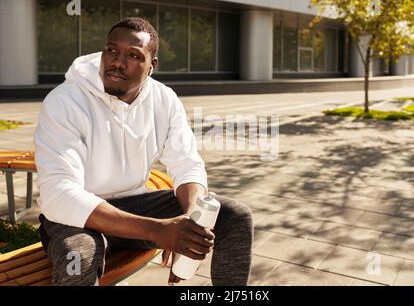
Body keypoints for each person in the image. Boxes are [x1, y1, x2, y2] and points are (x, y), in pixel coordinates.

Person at [34, 17, 253, 286]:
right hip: (78, 217)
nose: (117, 61)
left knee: (235, 216)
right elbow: (59, 194)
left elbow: (187, 164)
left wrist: (192, 222)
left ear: (152, 66)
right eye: (111, 50)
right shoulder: (65, 101)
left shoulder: (164, 99)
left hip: (136, 203)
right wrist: (159, 231)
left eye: (134, 55)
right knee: (77, 257)